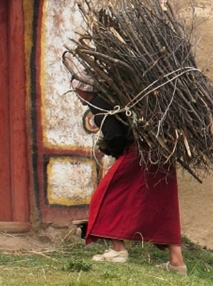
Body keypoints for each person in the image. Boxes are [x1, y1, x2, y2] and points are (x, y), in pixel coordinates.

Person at [74, 85, 186, 274]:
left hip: (139, 152)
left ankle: (118, 250)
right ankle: (177, 262)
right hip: (162, 149)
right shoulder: (116, 96)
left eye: (78, 89)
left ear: (87, 88)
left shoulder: (98, 103)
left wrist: (112, 149)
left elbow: (116, 135)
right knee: (163, 205)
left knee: (107, 196)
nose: (76, 95)